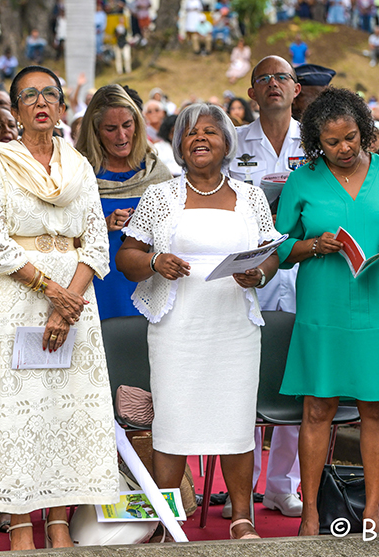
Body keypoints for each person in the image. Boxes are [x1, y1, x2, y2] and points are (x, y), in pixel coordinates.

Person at [0, 65, 118, 551]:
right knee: (18, 410)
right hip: (15, 299)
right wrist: (53, 291)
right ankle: (21, 526)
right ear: (15, 107)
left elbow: (95, 243)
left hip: (74, 298)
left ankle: (59, 522)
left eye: (49, 93)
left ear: (62, 106)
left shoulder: (79, 165)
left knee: (66, 411)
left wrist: (67, 303)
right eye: (29, 95)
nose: (41, 101)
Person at [117, 103, 281, 540]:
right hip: (178, 327)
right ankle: (169, 520)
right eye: (191, 133)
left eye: (211, 131)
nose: (200, 138)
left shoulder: (250, 197)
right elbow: (126, 257)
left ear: (227, 142)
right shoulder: (161, 196)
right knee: (172, 422)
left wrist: (260, 272)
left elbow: (272, 253)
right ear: (180, 145)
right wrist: (154, 260)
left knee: (236, 421)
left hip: (234, 327)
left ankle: (242, 517)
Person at [274, 87, 379, 536]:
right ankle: (311, 514)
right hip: (323, 309)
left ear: (365, 130)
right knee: (317, 409)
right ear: (316, 140)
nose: (344, 148)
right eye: (333, 141)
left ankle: (373, 511)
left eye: (352, 138)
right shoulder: (303, 179)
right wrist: (312, 245)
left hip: (375, 309)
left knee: (375, 411)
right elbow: (277, 247)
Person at [225, 56, 305, 519]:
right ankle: (245, 485)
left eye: (282, 78)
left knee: (293, 373)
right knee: (246, 373)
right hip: (249, 267)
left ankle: (282, 485)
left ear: (296, 90)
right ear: (251, 93)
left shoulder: (313, 144)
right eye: (264, 79)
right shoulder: (233, 143)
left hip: (298, 265)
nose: (273, 84)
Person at [74, 84, 172, 321]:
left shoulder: (156, 172)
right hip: (95, 288)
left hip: (149, 285)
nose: (121, 136)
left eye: (127, 125)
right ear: (95, 131)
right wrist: (101, 225)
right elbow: (58, 242)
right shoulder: (77, 173)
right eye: (111, 128)